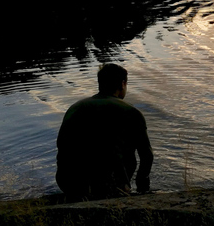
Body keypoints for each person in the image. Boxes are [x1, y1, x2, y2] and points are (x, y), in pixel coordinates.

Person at [56, 63, 153, 199]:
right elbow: (146, 155)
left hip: (69, 182)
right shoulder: (132, 112)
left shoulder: (75, 108)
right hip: (110, 185)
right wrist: (143, 185)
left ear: (100, 83)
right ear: (123, 84)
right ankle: (121, 188)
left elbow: (62, 145)